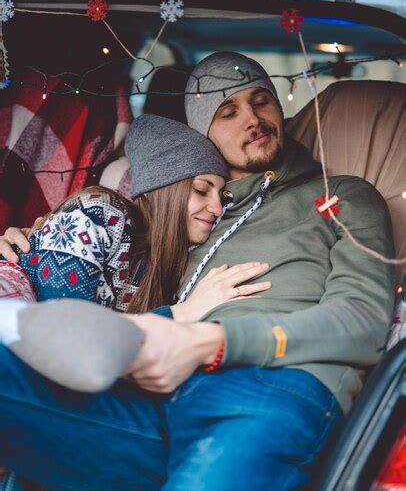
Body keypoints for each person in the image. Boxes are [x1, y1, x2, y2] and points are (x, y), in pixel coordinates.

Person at [0, 52, 395, 491]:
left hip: (268, 389)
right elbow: (113, 254)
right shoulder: (196, 219)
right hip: (155, 401)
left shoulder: (343, 196)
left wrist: (216, 340)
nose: (253, 118)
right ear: (204, 134)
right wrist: (31, 238)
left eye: (262, 100)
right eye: (228, 111)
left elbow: (361, 322)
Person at [0, 113, 270, 318]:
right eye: (201, 190)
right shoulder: (97, 213)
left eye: (222, 197)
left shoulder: (169, 260)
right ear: (165, 191)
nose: (216, 208)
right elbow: (66, 330)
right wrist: (184, 313)